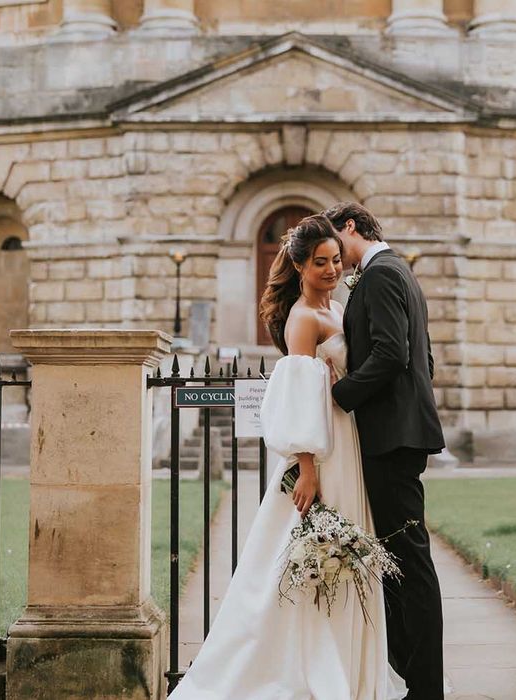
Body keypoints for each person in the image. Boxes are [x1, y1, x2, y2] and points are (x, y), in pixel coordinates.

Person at [168, 214, 408, 699]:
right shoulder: (303, 319)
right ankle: (302, 670)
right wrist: (308, 468)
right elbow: (301, 398)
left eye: (336, 260)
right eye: (320, 262)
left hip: (348, 442)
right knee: (309, 558)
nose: (331, 269)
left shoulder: (338, 310)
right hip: (322, 452)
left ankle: (350, 664)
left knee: (343, 559)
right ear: (299, 265)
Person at [323, 202, 446, 700]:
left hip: (393, 438)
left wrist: (339, 395)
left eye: (336, 244)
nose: (335, 259)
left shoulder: (380, 275)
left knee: (409, 560)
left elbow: (394, 354)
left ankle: (425, 686)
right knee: (400, 557)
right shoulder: (398, 272)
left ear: (350, 226)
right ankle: (409, 673)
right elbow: (426, 357)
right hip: (400, 431)